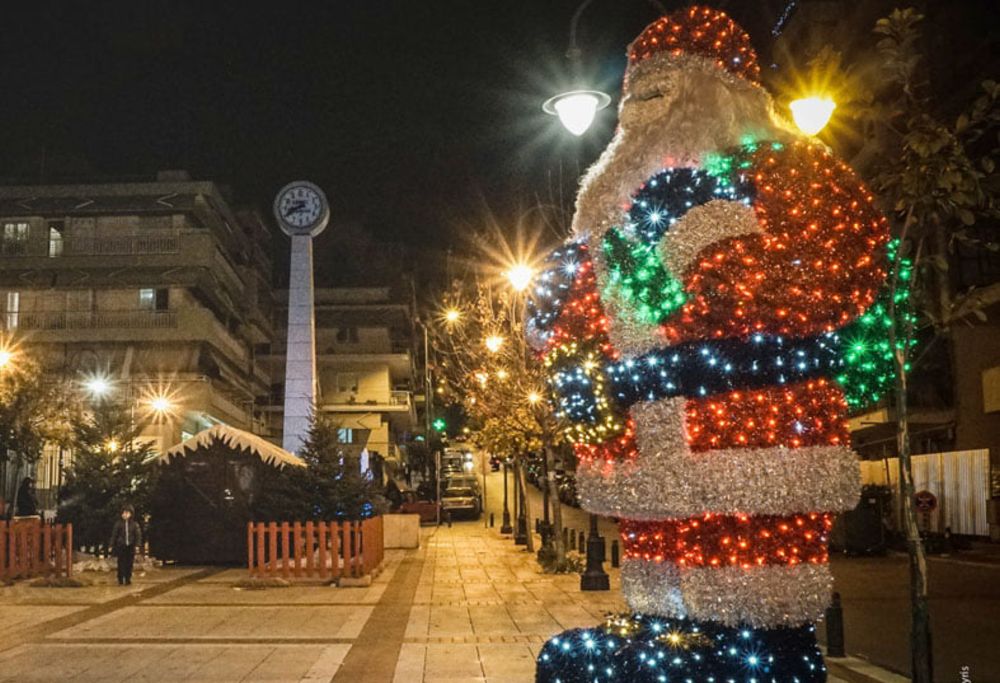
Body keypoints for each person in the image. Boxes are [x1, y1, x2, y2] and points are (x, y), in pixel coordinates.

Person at [108, 504, 143, 585]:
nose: (125, 515)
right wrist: (111, 545)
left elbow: (138, 535)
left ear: (131, 514)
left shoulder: (134, 524)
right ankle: (120, 578)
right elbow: (114, 535)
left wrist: (137, 545)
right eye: (124, 513)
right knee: (121, 563)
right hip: (121, 546)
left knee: (129, 563)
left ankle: (128, 578)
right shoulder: (118, 524)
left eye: (127, 513)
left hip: (130, 546)